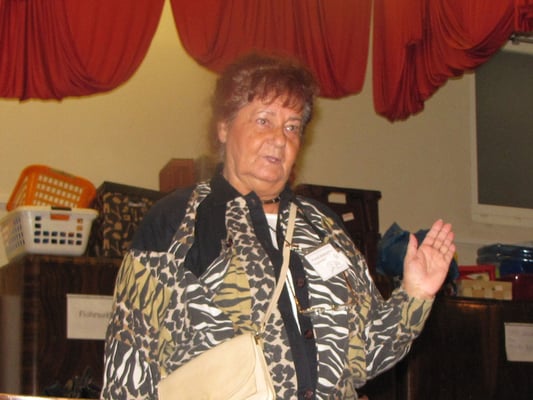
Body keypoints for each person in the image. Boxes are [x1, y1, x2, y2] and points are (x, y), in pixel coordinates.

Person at [101, 53, 456, 400]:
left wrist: (415, 294)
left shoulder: (324, 226)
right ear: (224, 127)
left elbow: (363, 355)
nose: (280, 138)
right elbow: (129, 363)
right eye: (263, 120)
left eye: (292, 127)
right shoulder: (178, 219)